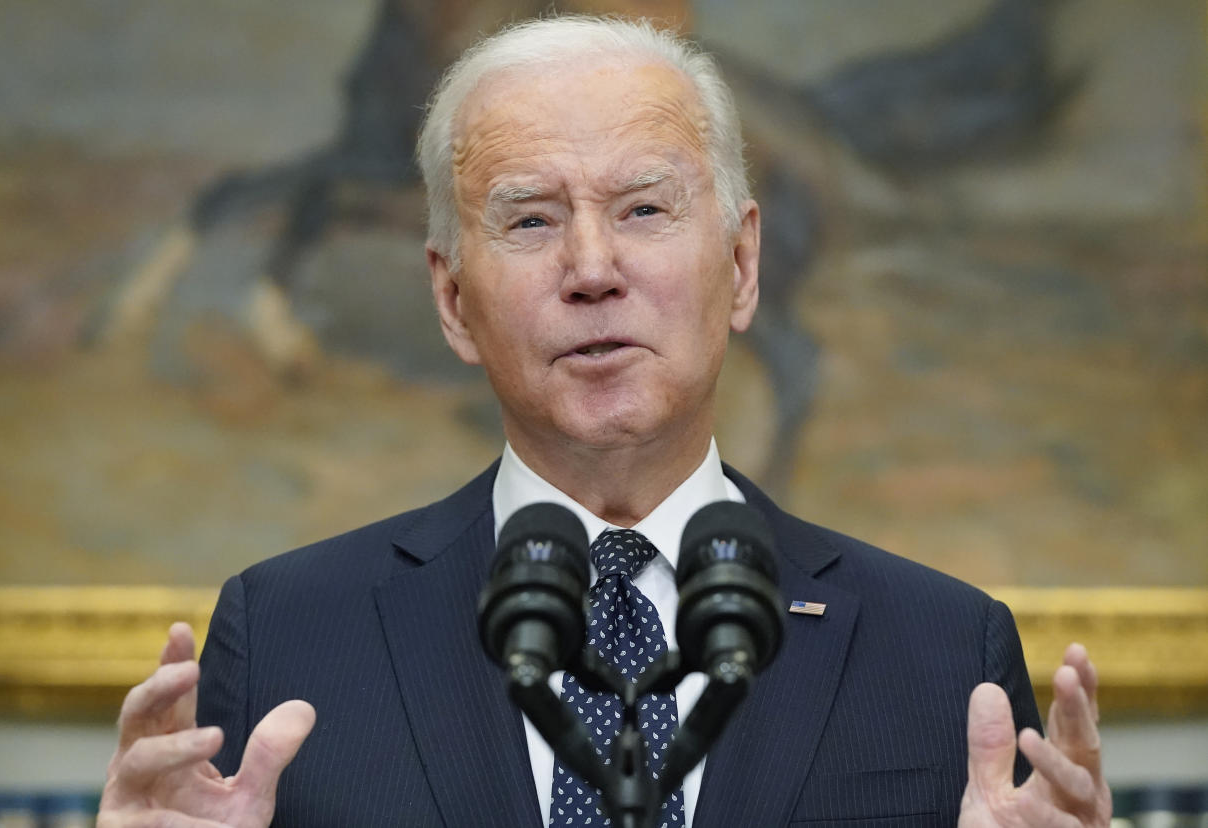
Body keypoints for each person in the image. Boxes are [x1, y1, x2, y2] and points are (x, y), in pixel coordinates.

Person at [98, 16, 1112, 828]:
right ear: (454, 302)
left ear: (744, 266)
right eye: (531, 219)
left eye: (643, 209)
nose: (592, 270)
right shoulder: (289, 638)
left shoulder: (939, 650)